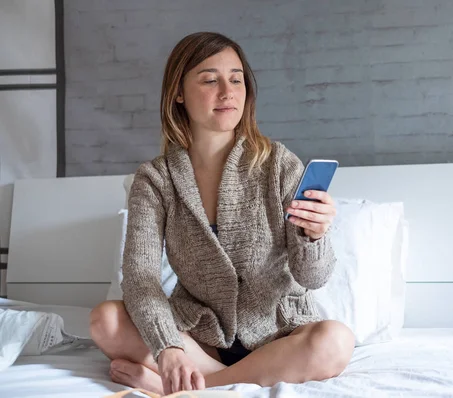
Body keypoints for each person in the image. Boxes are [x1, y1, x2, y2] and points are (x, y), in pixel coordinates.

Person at [89, 31, 355, 395]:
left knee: (335, 341)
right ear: (178, 93)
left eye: (236, 79)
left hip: (280, 334)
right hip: (200, 338)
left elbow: (312, 278)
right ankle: (211, 377)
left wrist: (315, 236)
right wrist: (168, 346)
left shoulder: (279, 165)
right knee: (106, 319)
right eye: (210, 79)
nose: (227, 92)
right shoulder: (154, 179)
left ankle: (190, 388)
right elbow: (140, 277)